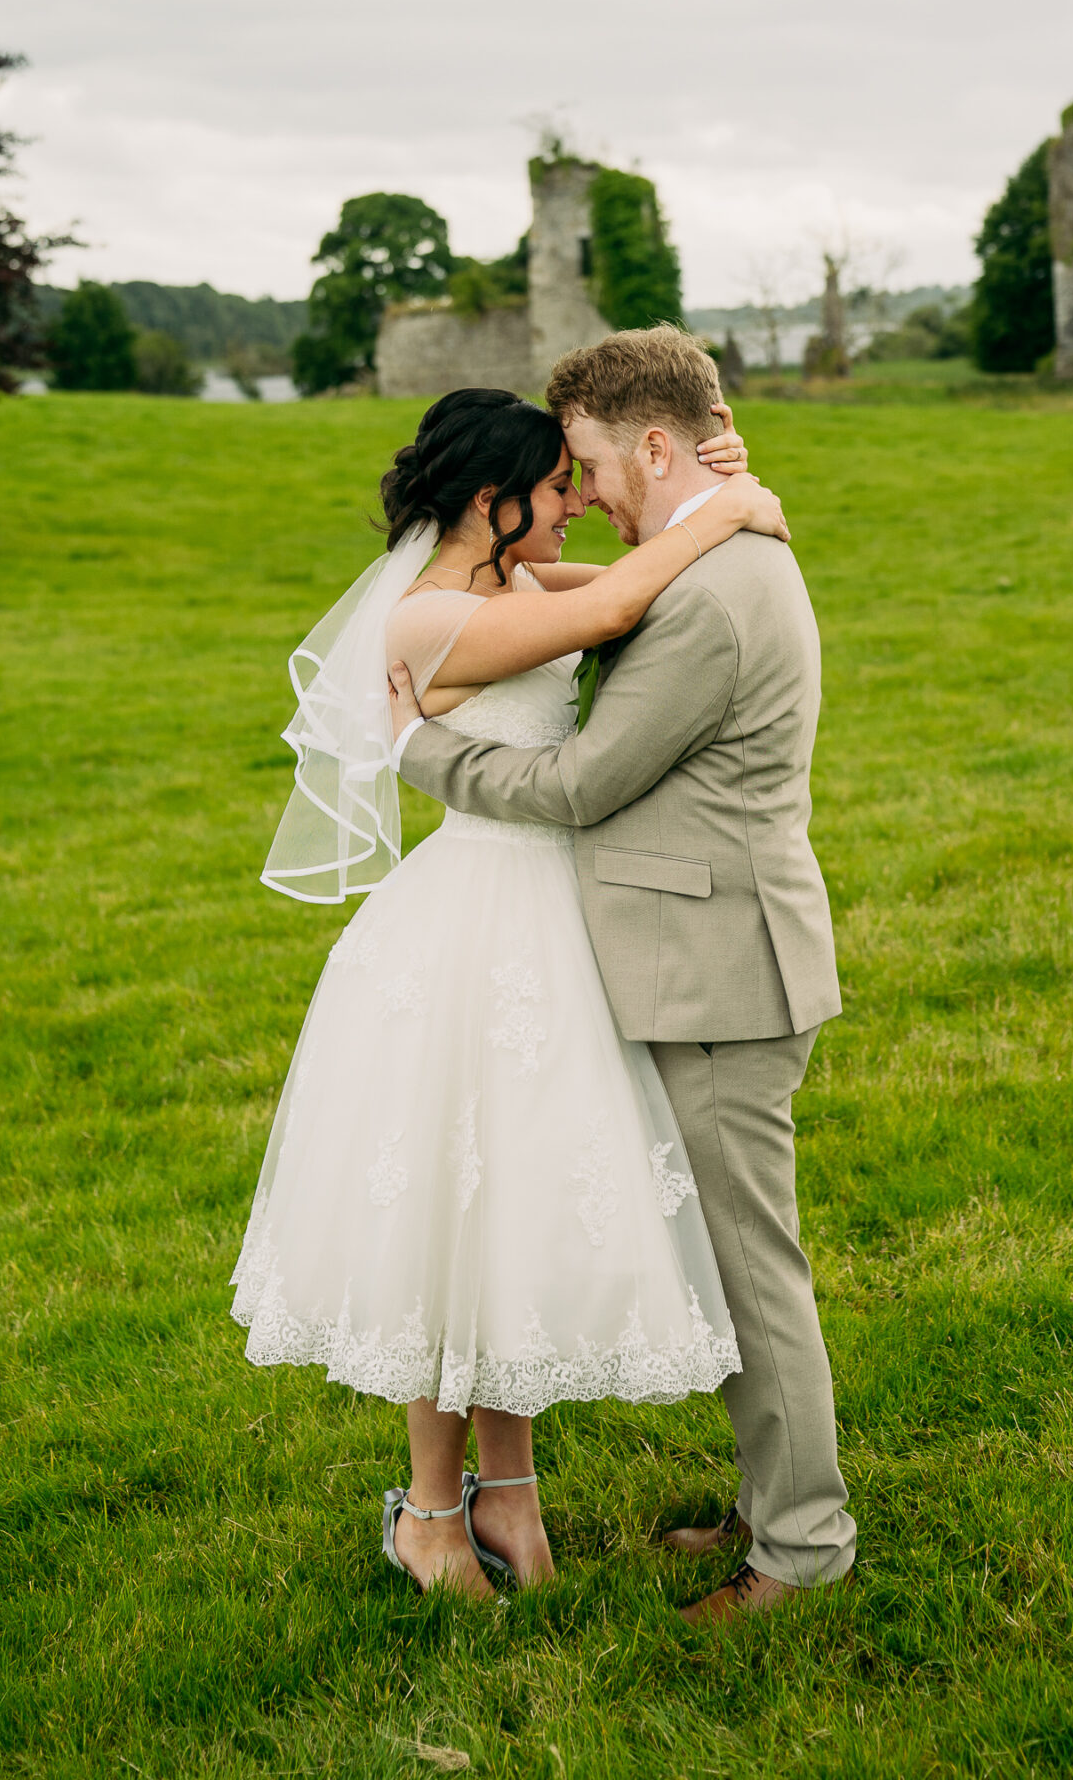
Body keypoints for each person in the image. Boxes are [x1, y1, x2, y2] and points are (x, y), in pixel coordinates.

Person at [230, 383, 789, 1599]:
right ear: (493, 503)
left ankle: (515, 1505)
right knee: (450, 1216)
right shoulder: (433, 621)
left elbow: (617, 586)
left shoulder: (505, 586)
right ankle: (431, 1517)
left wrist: (710, 477)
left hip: (545, 927)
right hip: (471, 930)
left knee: (512, 1216)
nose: (578, 503)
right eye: (555, 487)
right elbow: (632, 599)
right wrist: (740, 503)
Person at [389, 325, 856, 1621]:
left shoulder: (713, 596)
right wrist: (717, 496)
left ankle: (801, 1554)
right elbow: (602, 592)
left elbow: (588, 781)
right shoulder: (711, 559)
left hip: (719, 970)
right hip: (699, 958)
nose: (579, 489)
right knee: (728, 1266)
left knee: (751, 1276)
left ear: (651, 444)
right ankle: (771, 1513)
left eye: (589, 461)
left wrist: (422, 757)